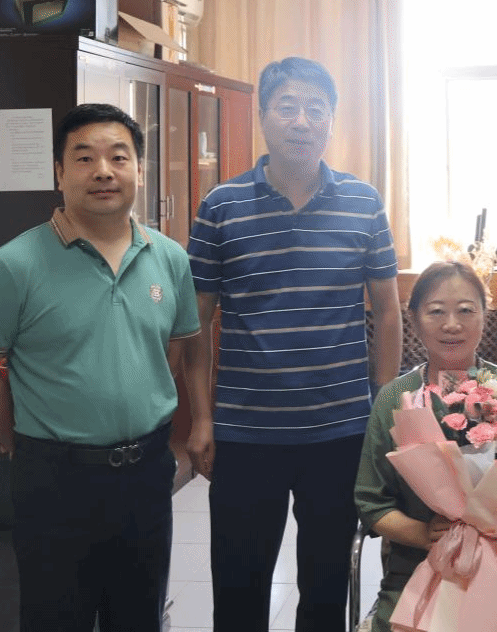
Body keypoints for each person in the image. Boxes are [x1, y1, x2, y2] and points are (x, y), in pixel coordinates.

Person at [0, 103, 209, 632]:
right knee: (56, 619)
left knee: (139, 616)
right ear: (59, 173)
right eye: (85, 158)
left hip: (145, 473)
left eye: (119, 157)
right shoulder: (13, 265)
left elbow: (174, 351)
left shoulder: (170, 259)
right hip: (54, 481)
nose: (103, 171)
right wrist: (20, 439)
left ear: (139, 170)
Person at [187, 56, 403, 632]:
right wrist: (202, 418)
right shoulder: (221, 206)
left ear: (331, 121)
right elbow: (195, 323)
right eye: (287, 107)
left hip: (339, 433)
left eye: (315, 109)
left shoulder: (363, 202)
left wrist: (381, 408)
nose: (302, 121)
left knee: (327, 588)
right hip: (244, 433)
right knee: (239, 588)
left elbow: (387, 311)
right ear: (263, 116)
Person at [354, 260, 497, 632]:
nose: (451, 324)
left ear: (484, 317)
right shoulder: (395, 398)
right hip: (422, 569)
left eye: (465, 310)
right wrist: (423, 534)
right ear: (414, 320)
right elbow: (371, 502)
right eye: (436, 311)